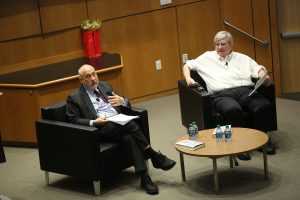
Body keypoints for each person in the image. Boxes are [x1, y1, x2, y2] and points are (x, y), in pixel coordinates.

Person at [66, 64, 176, 195]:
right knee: (130, 124)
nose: (93, 78)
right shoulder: (75, 97)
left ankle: (144, 178)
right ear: (81, 80)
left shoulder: (105, 86)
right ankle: (153, 155)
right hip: (100, 129)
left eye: (94, 74)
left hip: (118, 123)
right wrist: (93, 122)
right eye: (88, 76)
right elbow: (73, 119)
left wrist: (123, 101)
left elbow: (124, 101)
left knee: (130, 137)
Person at [183, 31, 275, 160]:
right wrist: (188, 79)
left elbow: (258, 68)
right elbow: (187, 64)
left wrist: (262, 75)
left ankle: (260, 140)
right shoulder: (206, 57)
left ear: (231, 45)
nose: (219, 47)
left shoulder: (242, 58)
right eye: (217, 44)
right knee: (233, 109)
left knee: (264, 106)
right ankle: (239, 146)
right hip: (221, 95)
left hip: (244, 91)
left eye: (223, 44)